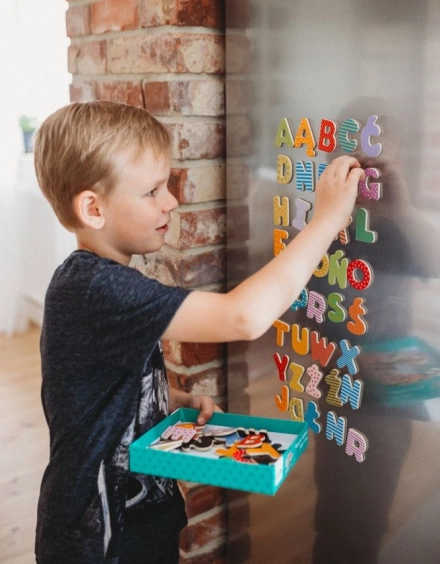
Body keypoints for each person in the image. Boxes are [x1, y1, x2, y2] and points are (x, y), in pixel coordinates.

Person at [32, 100, 363, 564]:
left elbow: (99, 390)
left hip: (145, 518)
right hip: (98, 540)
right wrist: (327, 219)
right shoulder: (92, 287)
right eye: (152, 191)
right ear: (93, 208)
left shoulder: (103, 280)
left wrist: (171, 401)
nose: (171, 199)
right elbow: (243, 316)